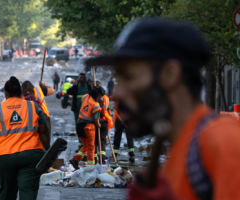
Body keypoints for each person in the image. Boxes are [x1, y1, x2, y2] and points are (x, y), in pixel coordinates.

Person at [87, 18, 240, 200]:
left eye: (128, 76)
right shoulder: (181, 153)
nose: (118, 92)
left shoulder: (222, 143)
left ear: (170, 74)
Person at [0, 76, 50, 200]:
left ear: (6, 93)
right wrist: (47, 149)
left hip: (5, 157)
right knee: (28, 192)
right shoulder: (32, 106)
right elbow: (43, 130)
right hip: (31, 155)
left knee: (7, 193)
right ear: (20, 92)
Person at [69, 87, 105, 169]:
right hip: (88, 127)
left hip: (79, 125)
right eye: (100, 96)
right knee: (91, 148)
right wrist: (98, 125)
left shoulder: (86, 96)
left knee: (85, 146)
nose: (101, 98)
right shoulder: (96, 105)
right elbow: (95, 119)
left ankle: (75, 160)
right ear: (98, 94)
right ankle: (91, 167)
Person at [65, 73, 92, 152]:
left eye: (84, 78)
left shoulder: (89, 87)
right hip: (77, 111)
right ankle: (81, 146)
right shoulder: (76, 87)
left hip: (87, 112)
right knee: (79, 128)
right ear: (78, 79)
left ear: (86, 79)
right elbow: (68, 91)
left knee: (86, 128)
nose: (82, 79)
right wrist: (75, 84)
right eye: (81, 78)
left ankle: (86, 146)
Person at [109, 95, 135, 164]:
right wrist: (105, 97)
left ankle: (131, 155)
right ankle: (115, 155)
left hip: (127, 120)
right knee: (118, 138)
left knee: (128, 137)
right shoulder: (119, 94)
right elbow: (112, 97)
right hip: (118, 120)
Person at [93, 81, 114, 164]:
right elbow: (108, 110)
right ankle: (102, 159)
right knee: (102, 141)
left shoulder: (94, 97)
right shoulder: (106, 98)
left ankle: (94, 160)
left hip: (96, 121)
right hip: (104, 121)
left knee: (94, 142)